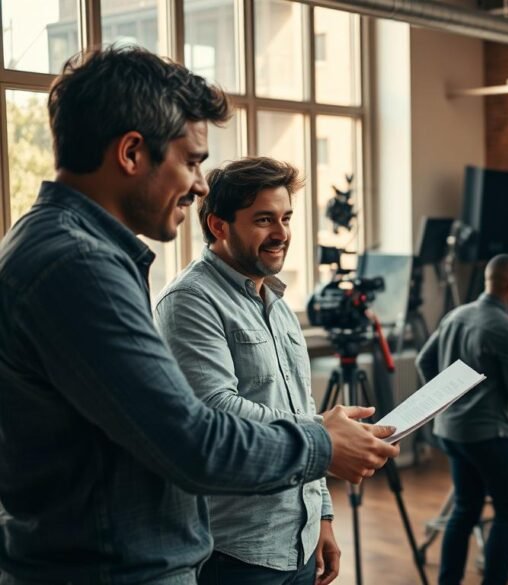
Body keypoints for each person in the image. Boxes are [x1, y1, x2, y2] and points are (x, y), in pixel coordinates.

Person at [0, 46, 399, 584]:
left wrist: (319, 499)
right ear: (132, 152)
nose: (200, 184)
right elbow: (192, 440)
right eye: (190, 161)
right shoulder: (79, 264)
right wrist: (322, 443)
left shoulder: (72, 251)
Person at [154, 158, 338, 584]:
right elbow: (215, 409)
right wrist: (323, 435)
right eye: (264, 220)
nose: (282, 233)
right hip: (237, 549)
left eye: (286, 218)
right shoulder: (189, 300)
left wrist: (323, 515)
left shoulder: (276, 300)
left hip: (301, 537)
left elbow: (301, 403)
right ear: (219, 225)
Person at [416, 254, 508, 585]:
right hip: (492, 438)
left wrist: (448, 400)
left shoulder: (457, 315)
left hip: (453, 433)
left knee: (465, 510)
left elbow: (424, 361)